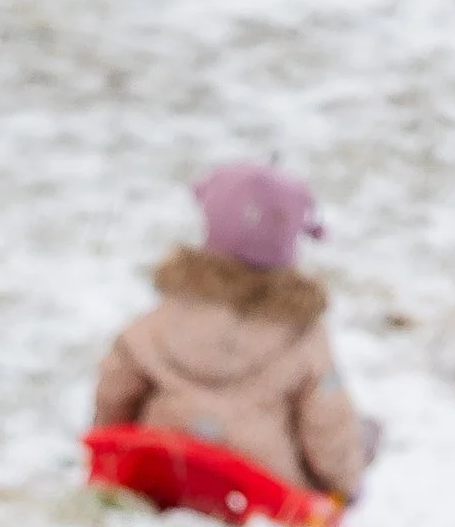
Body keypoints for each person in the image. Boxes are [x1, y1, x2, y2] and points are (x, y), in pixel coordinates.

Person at [93, 161, 376, 504]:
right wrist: (345, 485)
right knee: (365, 432)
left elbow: (115, 387)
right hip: (261, 485)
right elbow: (328, 423)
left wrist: (111, 448)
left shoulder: (167, 315)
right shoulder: (301, 334)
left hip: (163, 464)